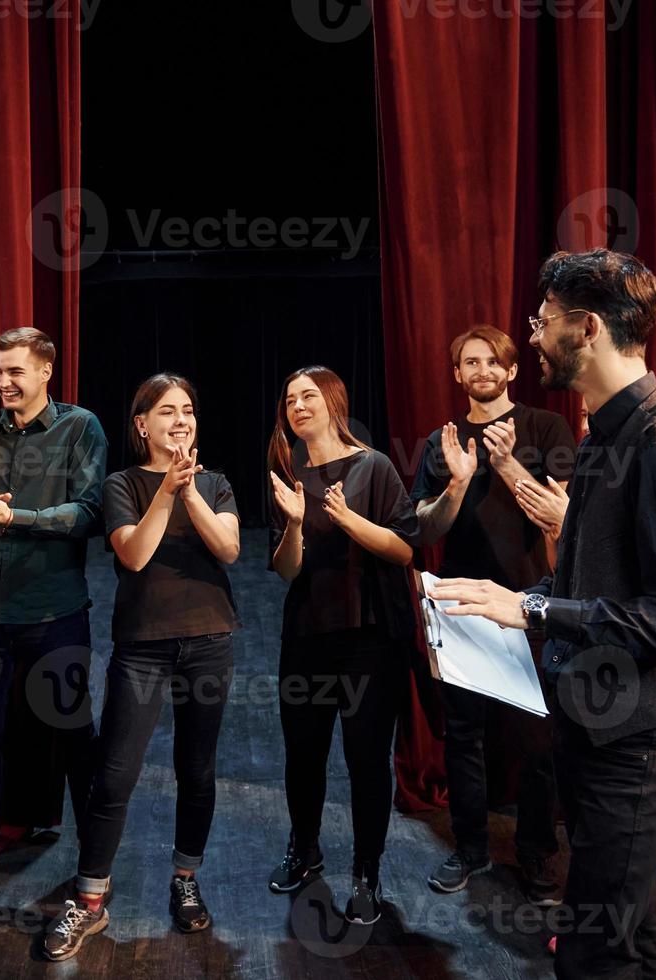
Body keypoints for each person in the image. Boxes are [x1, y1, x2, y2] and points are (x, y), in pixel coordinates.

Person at [430, 249, 656, 978]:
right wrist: (533, 598)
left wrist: (533, 610)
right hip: (603, 725)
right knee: (626, 939)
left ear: (588, 328)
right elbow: (607, 575)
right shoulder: (605, 433)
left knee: (596, 954)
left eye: (543, 321)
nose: (532, 336)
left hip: (643, 741)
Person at [43, 374, 241, 960]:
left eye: (188, 410)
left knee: (196, 769)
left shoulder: (217, 483)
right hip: (144, 647)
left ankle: (185, 879)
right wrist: (164, 492)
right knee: (117, 772)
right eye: (166, 412)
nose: (180, 420)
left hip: (209, 640)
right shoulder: (121, 485)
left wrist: (190, 491)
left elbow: (229, 549)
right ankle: (91, 898)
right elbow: (133, 554)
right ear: (142, 425)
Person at [410, 325, 575, 904]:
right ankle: (471, 848)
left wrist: (506, 466)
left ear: (511, 370)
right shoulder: (442, 441)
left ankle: (535, 854)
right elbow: (423, 530)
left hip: (531, 603)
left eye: (492, 362)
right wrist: (456, 483)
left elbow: (565, 520)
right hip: (458, 601)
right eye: (469, 363)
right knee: (464, 736)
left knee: (536, 741)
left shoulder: (545, 428)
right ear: (457, 375)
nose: (481, 371)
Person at [0, 326, 108, 904]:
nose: (3, 382)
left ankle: (95, 862)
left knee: (73, 734)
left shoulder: (79, 427)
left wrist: (19, 518)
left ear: (45, 372)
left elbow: (88, 513)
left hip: (53, 608)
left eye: (14, 370)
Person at [264, 366, 420, 925]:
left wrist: (348, 519)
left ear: (334, 402)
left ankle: (367, 873)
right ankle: (305, 852)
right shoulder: (286, 472)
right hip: (306, 634)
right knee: (303, 755)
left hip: (369, 639)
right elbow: (286, 571)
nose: (298, 406)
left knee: (364, 759)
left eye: (309, 396)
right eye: (289, 400)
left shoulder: (372, 466)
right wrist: (294, 525)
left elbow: (404, 550)